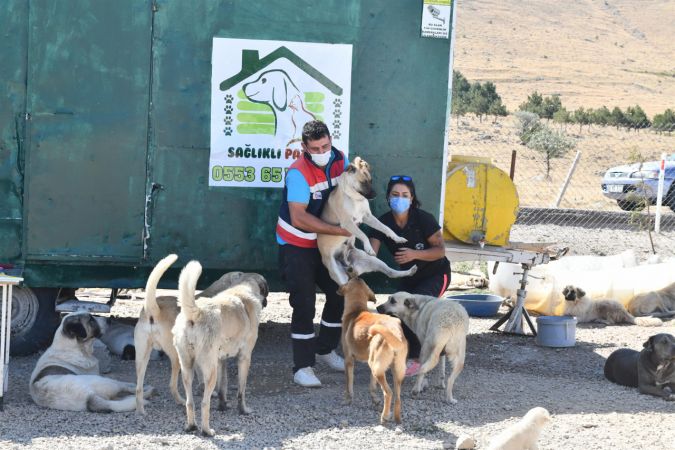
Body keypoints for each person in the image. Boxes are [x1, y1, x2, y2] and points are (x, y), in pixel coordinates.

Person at [276, 120, 351, 387]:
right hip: (297, 244)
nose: (322, 151)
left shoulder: (341, 160)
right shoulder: (298, 172)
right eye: (316, 148)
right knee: (304, 302)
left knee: (340, 291)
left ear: (331, 140)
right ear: (305, 148)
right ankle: (303, 367)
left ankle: (326, 349)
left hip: (327, 243)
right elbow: (299, 218)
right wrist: (337, 229)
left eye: (326, 145)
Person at [368, 175, 451, 376]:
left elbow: (440, 251)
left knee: (413, 308)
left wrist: (414, 254)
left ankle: (418, 358)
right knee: (392, 311)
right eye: (395, 194)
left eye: (405, 195)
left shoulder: (424, 219)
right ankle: (399, 354)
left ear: (412, 198)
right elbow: (371, 253)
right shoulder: (383, 222)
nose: (400, 198)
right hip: (408, 277)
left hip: (435, 274)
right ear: (388, 197)